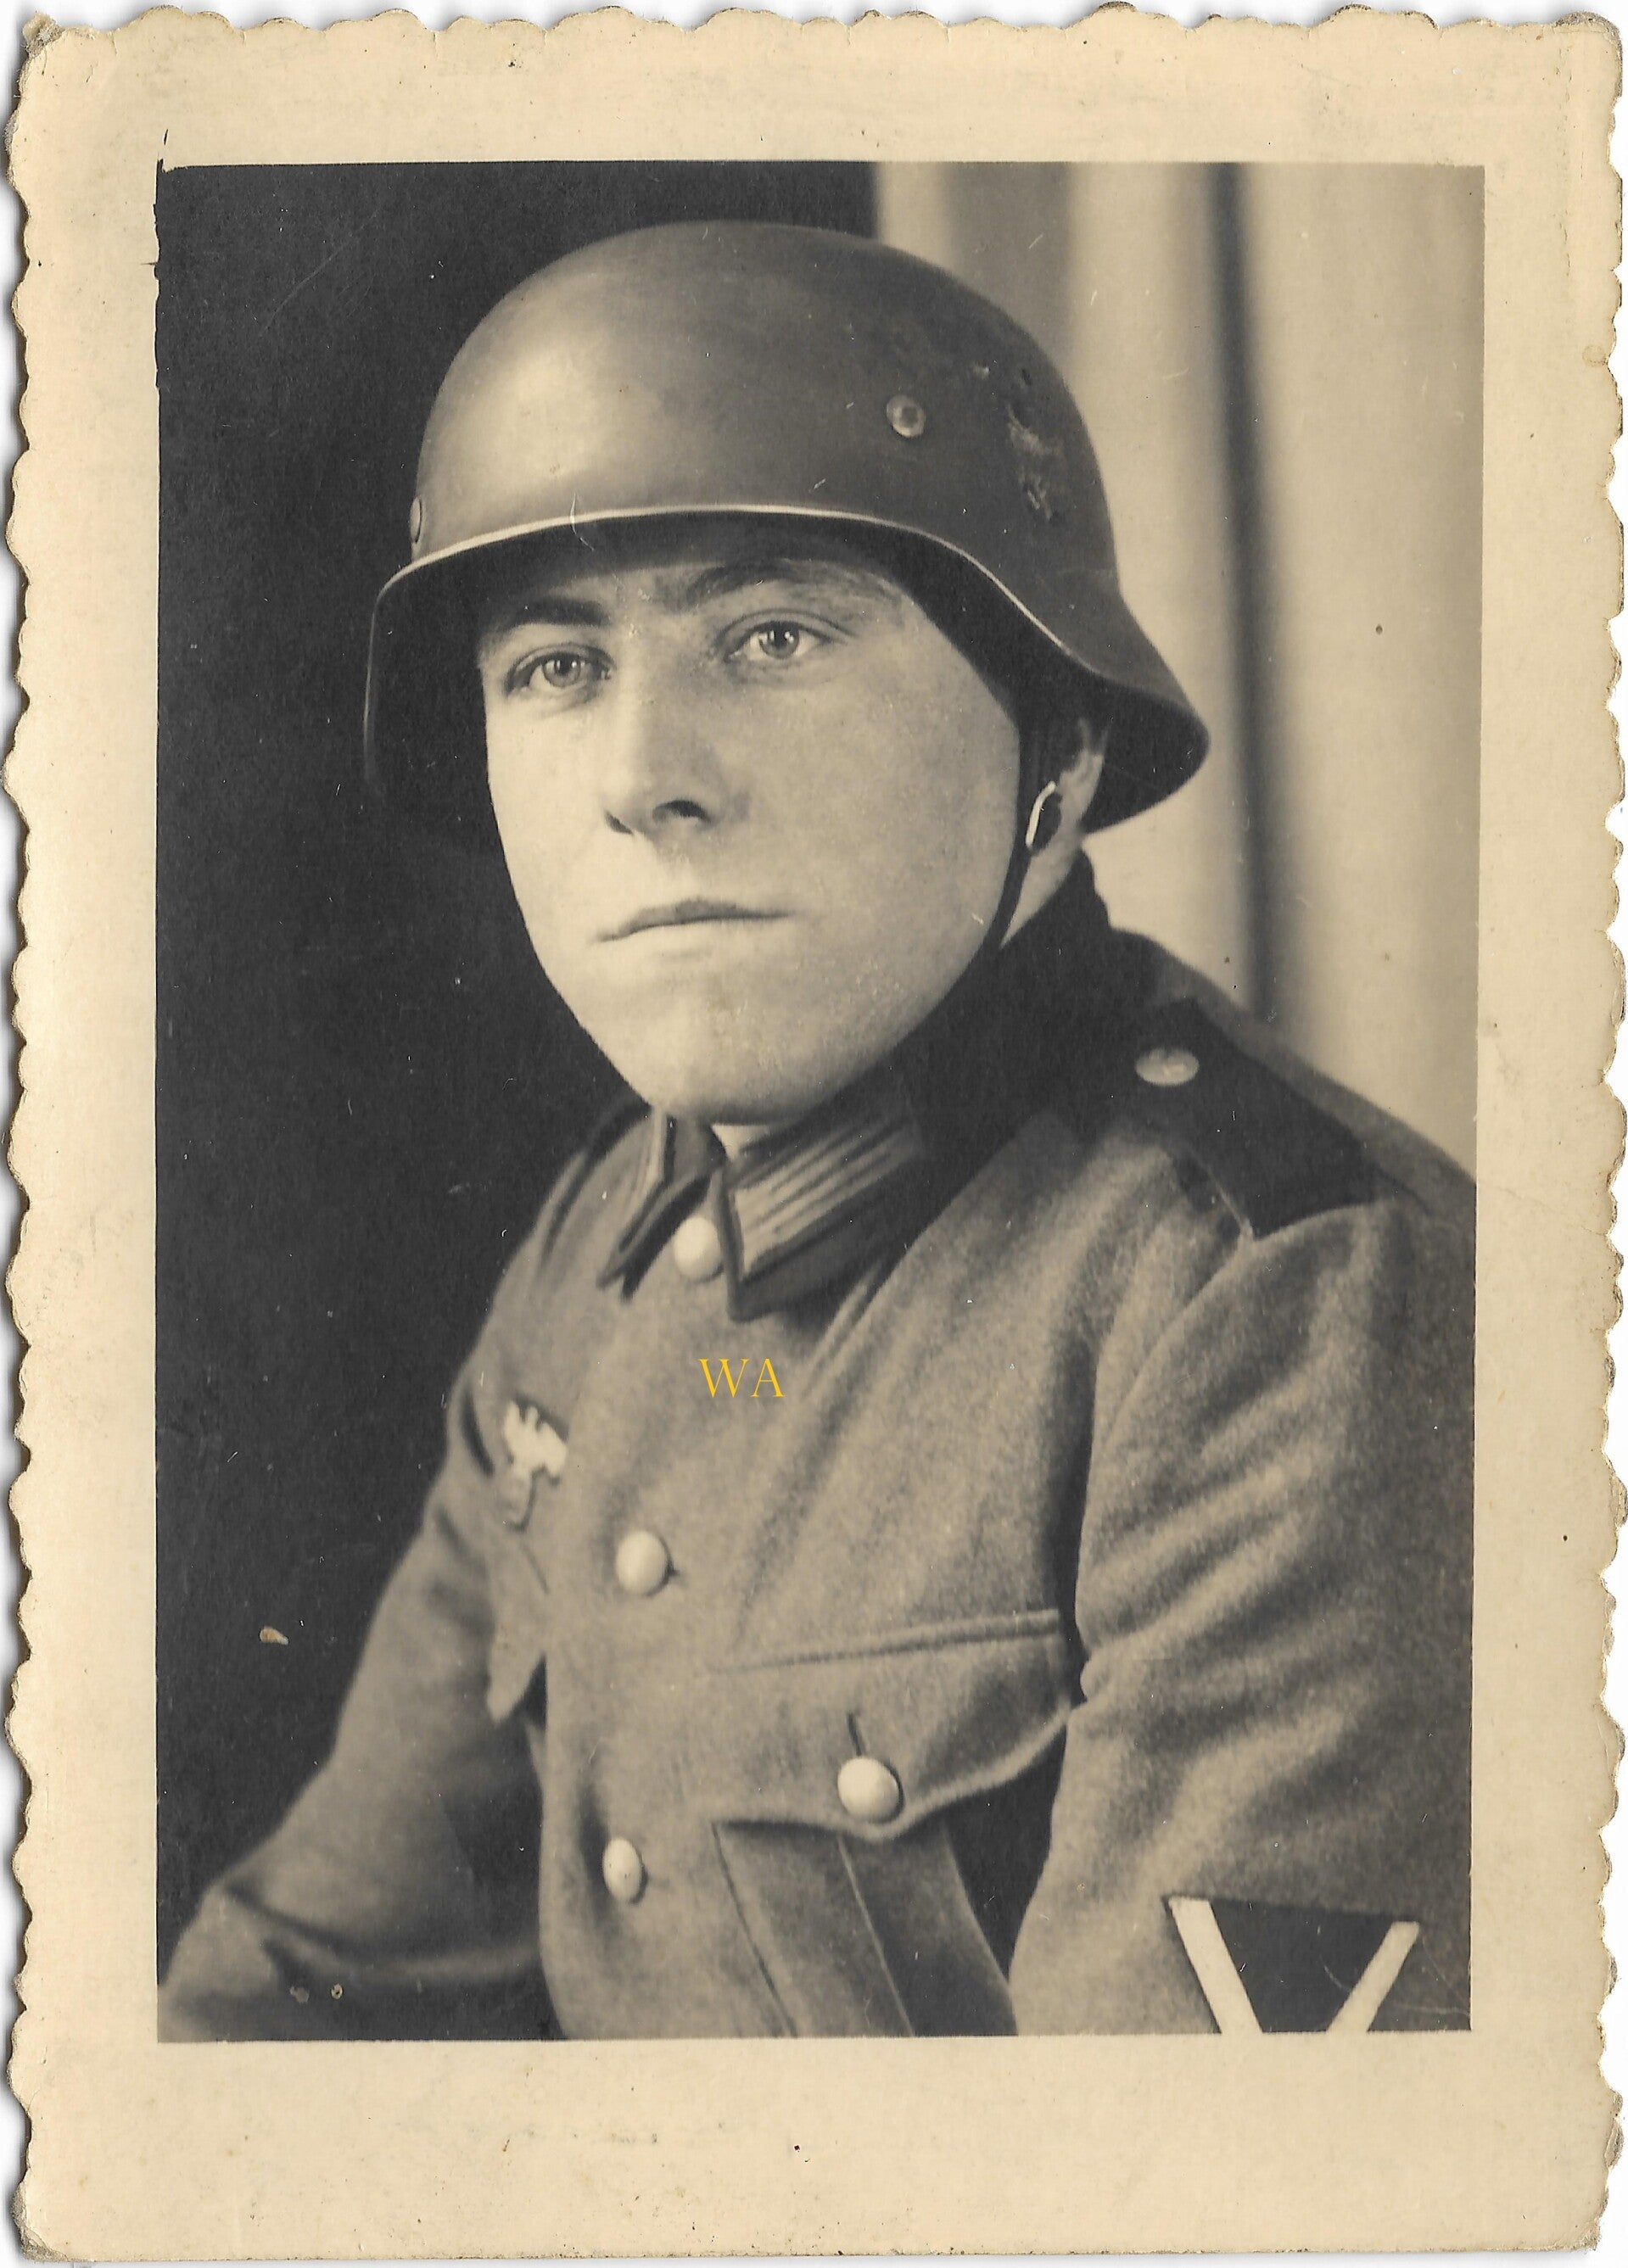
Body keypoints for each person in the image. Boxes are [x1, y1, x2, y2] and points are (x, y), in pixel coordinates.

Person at [159, 221, 1473, 2041]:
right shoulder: (603, 1254)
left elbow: (1169, 2218)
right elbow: (290, 2003)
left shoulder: (1285, 1309)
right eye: (554, 667)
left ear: (1060, 746)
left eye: (771, 635)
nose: (641, 778)